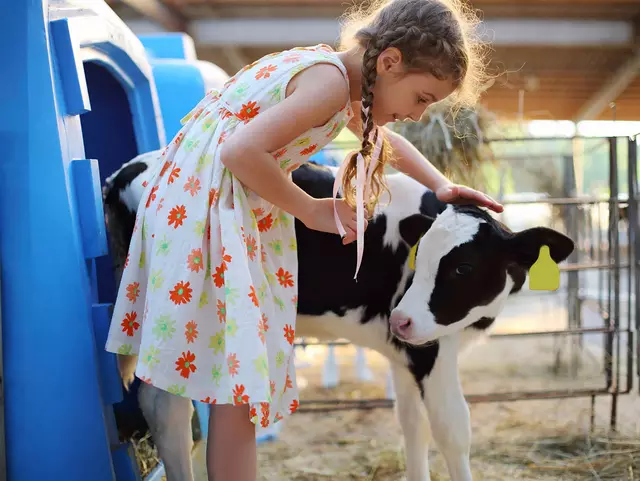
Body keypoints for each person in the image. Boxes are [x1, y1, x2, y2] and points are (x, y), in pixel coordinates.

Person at [105, 0, 503, 479]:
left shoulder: (338, 78)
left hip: (200, 208)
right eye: (421, 97)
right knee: (238, 382)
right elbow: (239, 151)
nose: (418, 114)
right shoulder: (329, 84)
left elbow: (383, 143)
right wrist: (311, 209)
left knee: (235, 383)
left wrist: (439, 184)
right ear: (390, 62)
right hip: (214, 214)